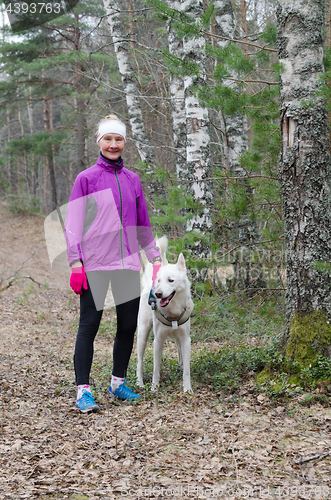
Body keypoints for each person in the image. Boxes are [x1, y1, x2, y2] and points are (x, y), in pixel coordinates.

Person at [65, 114, 161, 413]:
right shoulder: (87, 178)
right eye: (108, 139)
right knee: (89, 326)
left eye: (118, 139)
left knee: (128, 325)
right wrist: (75, 262)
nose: (113, 144)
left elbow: (143, 222)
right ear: (99, 142)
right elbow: (73, 223)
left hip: (127, 265)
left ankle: (117, 383)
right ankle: (83, 391)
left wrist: (155, 259)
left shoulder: (132, 179)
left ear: (124, 143)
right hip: (94, 263)